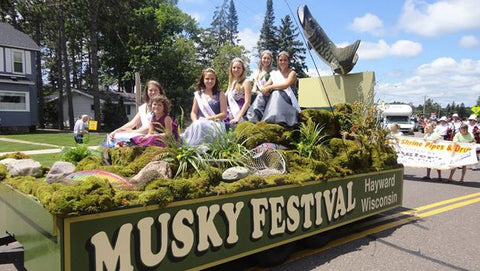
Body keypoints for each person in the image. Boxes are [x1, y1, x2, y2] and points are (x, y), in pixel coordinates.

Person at [247, 51, 300, 126]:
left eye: (285, 60)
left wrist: (270, 87)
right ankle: (254, 119)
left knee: (276, 93)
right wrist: (265, 90)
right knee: (261, 95)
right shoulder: (275, 73)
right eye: (281, 60)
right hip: (275, 97)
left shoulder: (292, 73)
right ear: (278, 61)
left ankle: (271, 120)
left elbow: (285, 85)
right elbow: (266, 85)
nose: (283, 62)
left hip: (287, 99)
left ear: (288, 61)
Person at [182, 68, 227, 147]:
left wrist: (208, 119)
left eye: (212, 79)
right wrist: (195, 122)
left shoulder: (221, 94)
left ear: (216, 80)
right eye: (207, 79)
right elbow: (193, 112)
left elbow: (224, 114)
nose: (210, 81)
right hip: (199, 124)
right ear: (203, 80)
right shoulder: (198, 95)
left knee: (200, 125)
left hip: (215, 124)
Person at [225, 57, 252, 126]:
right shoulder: (231, 82)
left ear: (243, 69)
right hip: (230, 111)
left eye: (239, 68)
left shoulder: (246, 82)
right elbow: (225, 96)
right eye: (234, 67)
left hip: (241, 113)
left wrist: (238, 117)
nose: (236, 70)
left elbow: (247, 102)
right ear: (231, 69)